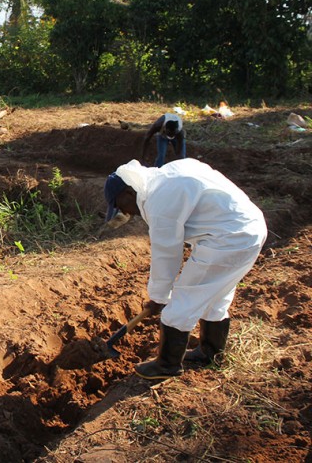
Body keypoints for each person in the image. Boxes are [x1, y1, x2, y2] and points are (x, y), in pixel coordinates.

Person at [103, 158, 266, 380]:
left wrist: (159, 296)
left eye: (121, 205)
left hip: (229, 238)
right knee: (215, 297)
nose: (126, 212)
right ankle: (210, 352)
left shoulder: (159, 199)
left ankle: (167, 365)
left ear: (129, 193)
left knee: (183, 301)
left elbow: (167, 253)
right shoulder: (167, 177)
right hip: (247, 229)